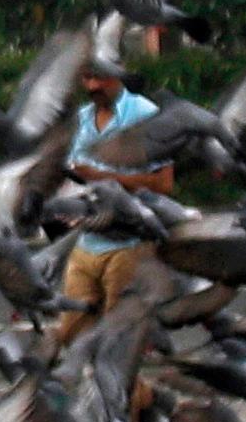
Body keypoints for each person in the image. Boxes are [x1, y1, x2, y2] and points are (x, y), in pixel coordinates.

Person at [53, 62, 174, 347]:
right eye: (87, 78)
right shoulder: (82, 118)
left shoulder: (145, 115)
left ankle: (141, 376)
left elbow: (163, 183)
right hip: (87, 242)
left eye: (101, 78)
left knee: (118, 340)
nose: (93, 86)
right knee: (72, 335)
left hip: (130, 244)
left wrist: (102, 177)